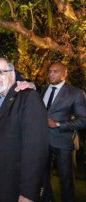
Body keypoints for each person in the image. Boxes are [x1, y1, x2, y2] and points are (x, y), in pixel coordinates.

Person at [0, 58, 49, 202]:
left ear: (13, 75)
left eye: (1, 72)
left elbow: (36, 150)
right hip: (0, 176)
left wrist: (28, 193)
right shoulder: (1, 100)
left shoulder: (28, 97)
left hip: (17, 182)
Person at [41, 62, 86, 202]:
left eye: (56, 71)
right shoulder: (43, 89)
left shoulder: (76, 93)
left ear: (65, 73)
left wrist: (59, 124)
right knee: (43, 177)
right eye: (50, 71)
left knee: (66, 180)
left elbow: (83, 120)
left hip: (63, 142)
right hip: (42, 141)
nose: (51, 74)